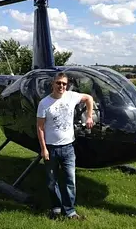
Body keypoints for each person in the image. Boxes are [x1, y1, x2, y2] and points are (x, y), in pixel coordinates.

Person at [36, 72, 94, 220]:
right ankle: (56, 208)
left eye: (64, 83)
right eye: (58, 83)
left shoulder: (71, 96)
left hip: (68, 148)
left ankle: (70, 211)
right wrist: (43, 149)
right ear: (53, 84)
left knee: (70, 180)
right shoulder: (44, 103)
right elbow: (40, 127)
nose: (61, 86)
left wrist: (89, 116)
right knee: (51, 181)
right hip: (51, 148)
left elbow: (89, 98)